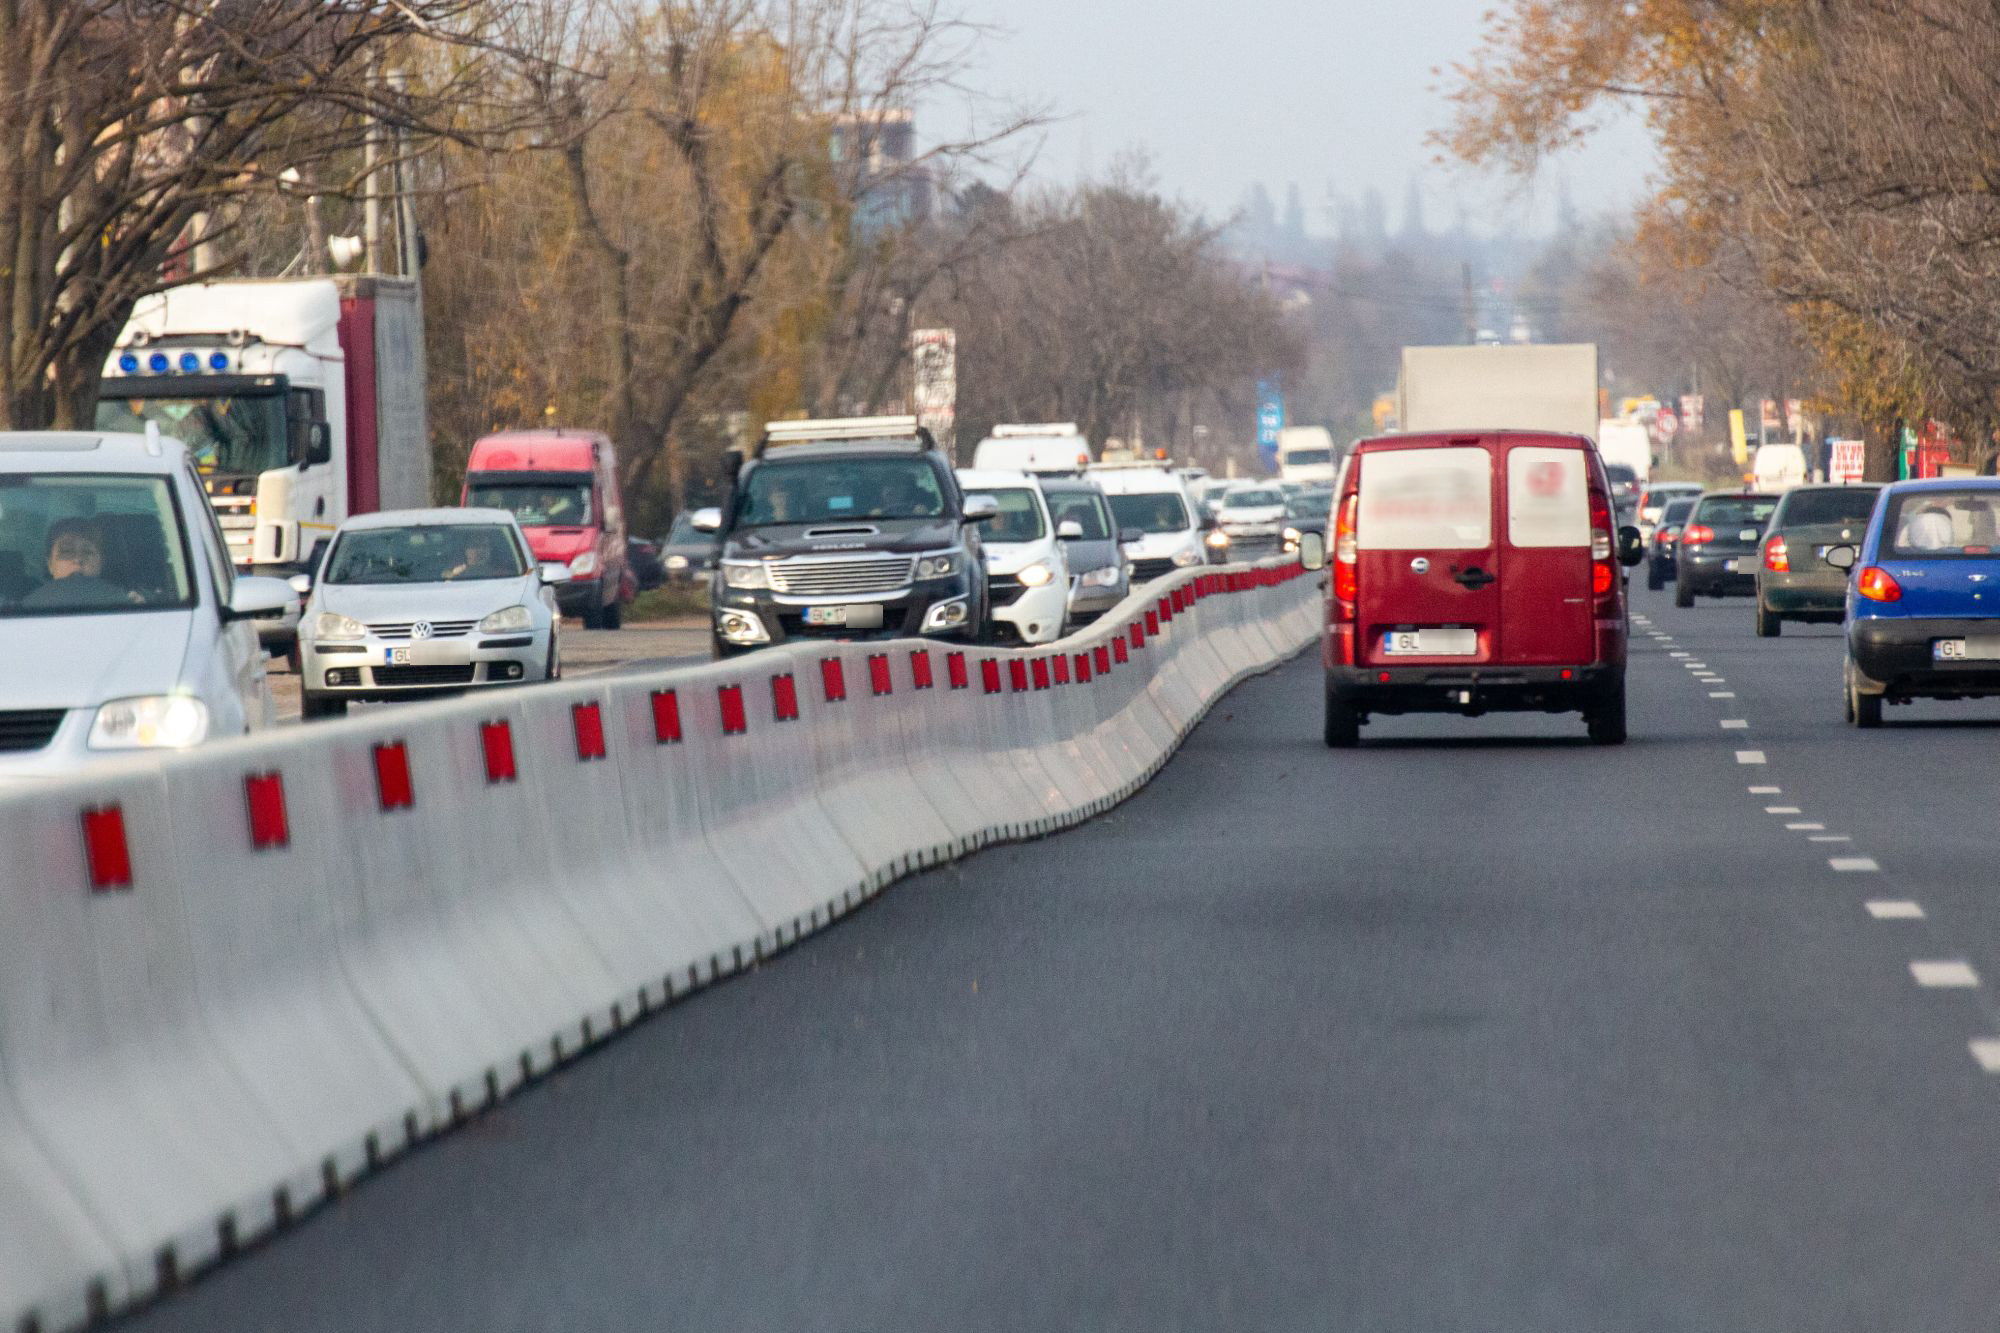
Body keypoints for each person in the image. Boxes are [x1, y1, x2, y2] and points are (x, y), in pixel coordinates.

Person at [20, 519, 134, 609]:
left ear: (101, 562)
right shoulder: (23, 610)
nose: (78, 559)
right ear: (50, 564)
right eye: (66, 552)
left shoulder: (126, 605)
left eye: (87, 552)